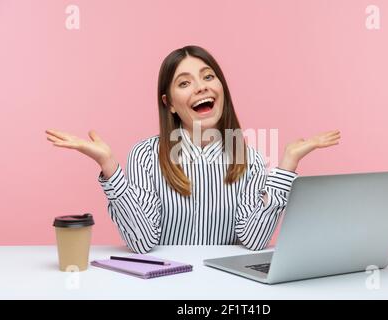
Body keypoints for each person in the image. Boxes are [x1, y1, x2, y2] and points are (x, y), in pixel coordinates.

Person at [45, 45, 341, 254]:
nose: (201, 87)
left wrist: (286, 167)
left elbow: (253, 240)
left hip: (227, 289)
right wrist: (109, 166)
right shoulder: (146, 155)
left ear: (222, 89)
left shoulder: (248, 159)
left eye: (208, 77)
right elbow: (141, 242)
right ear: (169, 103)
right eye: (185, 83)